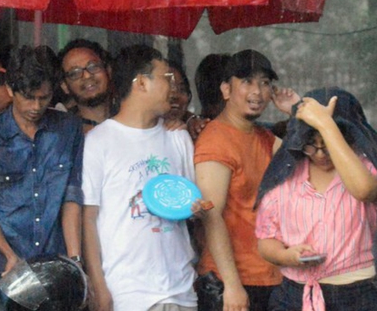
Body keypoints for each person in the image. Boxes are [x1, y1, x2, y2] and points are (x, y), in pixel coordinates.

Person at [255, 88, 377, 311]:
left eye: (328, 145)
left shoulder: (364, 168)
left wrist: (325, 124)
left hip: (358, 294)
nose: (320, 154)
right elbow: (266, 238)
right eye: (311, 144)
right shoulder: (286, 174)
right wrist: (286, 256)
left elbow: (363, 190)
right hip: (295, 294)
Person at [82, 45, 202, 311]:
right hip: (128, 294)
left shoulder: (178, 137)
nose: (172, 88)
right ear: (141, 83)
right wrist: (99, 287)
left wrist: (198, 209)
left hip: (181, 291)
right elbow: (88, 219)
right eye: (165, 78)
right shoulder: (99, 141)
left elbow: (195, 206)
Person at [0, 45, 84, 275]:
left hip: (57, 262)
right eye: (28, 97)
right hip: (6, 266)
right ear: (10, 89)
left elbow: (72, 195)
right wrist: (9, 255)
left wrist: (75, 260)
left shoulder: (69, 128)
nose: (36, 107)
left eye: (44, 97)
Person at [194, 49, 296, 311]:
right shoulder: (215, 139)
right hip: (233, 283)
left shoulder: (263, 137)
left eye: (264, 83)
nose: (258, 91)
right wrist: (232, 285)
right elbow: (210, 215)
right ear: (226, 90)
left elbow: (309, 159)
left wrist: (295, 112)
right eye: (247, 82)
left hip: (270, 277)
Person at [58, 39, 112, 134]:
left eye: (93, 66)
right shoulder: (65, 136)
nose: (87, 76)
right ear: (65, 86)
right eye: (75, 73)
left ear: (108, 70)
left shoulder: (135, 122)